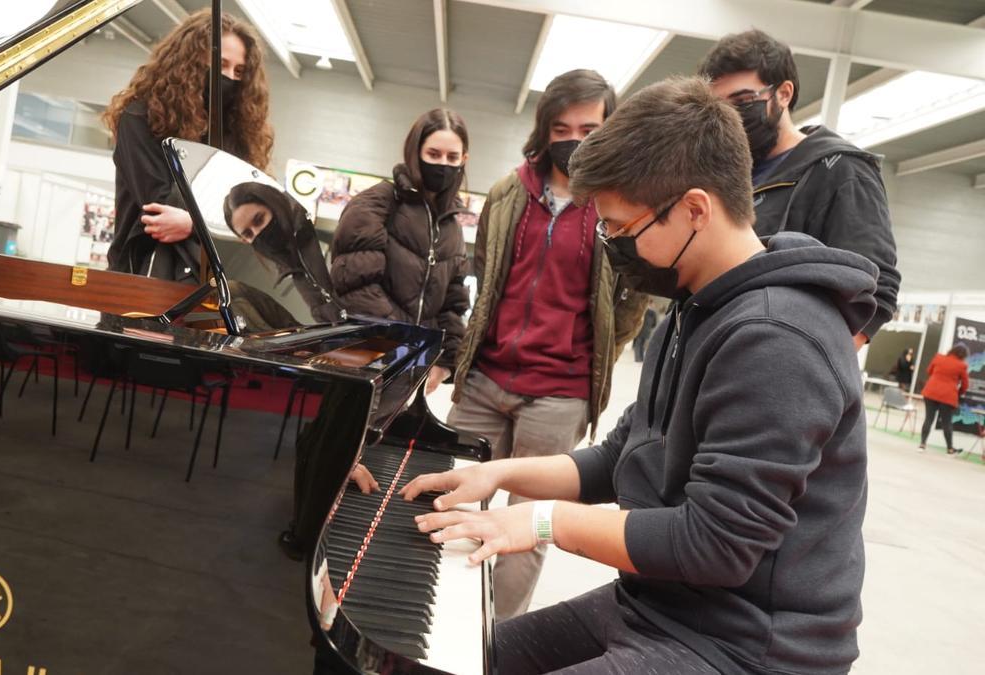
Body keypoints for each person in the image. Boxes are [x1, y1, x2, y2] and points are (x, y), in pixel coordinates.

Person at [401, 76, 876, 675]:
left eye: (622, 230)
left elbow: (715, 545)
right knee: (465, 658)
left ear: (695, 209)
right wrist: (492, 472)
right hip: (659, 606)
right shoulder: (699, 304)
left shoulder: (778, 339)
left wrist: (541, 519)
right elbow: (625, 455)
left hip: (745, 648)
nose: (612, 247)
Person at [446, 69, 647, 619]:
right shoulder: (509, 191)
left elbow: (630, 302)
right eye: (561, 126)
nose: (573, 138)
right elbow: (486, 272)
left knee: (526, 530)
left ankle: (495, 641)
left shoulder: (620, 201)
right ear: (544, 127)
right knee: (453, 503)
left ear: (610, 128)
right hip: (485, 382)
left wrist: (586, 355)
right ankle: (439, 623)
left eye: (588, 127)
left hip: (558, 395)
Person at [700, 29, 899, 350]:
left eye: (743, 101)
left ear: (783, 93)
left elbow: (876, 288)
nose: (731, 116)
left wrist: (808, 367)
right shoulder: (720, 175)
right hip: (711, 353)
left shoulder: (841, 170)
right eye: (719, 106)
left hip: (774, 367)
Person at [102, 9, 273, 283]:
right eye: (220, 64)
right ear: (190, 62)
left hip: (213, 286)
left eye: (239, 71)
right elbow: (161, 206)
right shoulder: (141, 119)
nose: (229, 77)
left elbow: (251, 214)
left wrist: (193, 223)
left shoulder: (234, 136)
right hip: (138, 281)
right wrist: (221, 224)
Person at [329, 108, 471, 395]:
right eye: (433, 154)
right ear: (414, 151)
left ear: (463, 160)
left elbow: (452, 306)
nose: (443, 164)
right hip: (362, 361)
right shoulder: (375, 204)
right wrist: (401, 348)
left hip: (410, 375)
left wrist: (444, 363)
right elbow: (355, 287)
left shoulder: (452, 228)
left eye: (452, 158)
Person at [223, 182, 344, 324]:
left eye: (259, 219)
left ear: (273, 204)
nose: (258, 233)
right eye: (248, 233)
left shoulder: (316, 227)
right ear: (244, 240)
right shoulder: (295, 273)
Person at [919, 344, 969, 454]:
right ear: (964, 355)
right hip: (948, 396)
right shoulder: (962, 365)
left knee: (928, 419)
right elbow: (965, 384)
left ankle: (922, 444)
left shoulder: (938, 357)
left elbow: (929, 371)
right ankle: (950, 448)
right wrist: (958, 393)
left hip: (931, 392)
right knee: (947, 422)